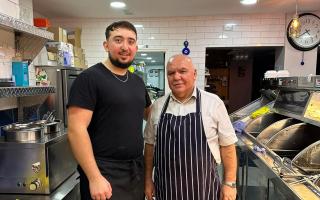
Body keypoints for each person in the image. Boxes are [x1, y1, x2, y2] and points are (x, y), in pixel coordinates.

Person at [67, 21, 151, 200]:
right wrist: (95, 177)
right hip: (103, 171)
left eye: (130, 41)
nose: (125, 47)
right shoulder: (89, 79)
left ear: (136, 47)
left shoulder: (137, 81)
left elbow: (150, 115)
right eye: (118, 40)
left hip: (135, 170)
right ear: (106, 45)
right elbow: (76, 130)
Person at [144, 54, 238, 200]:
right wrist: (148, 180)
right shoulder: (158, 106)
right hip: (166, 190)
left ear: (194, 74)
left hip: (204, 190)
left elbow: (227, 146)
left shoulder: (213, 103)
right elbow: (150, 146)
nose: (176, 77)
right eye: (171, 73)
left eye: (182, 71)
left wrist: (230, 183)